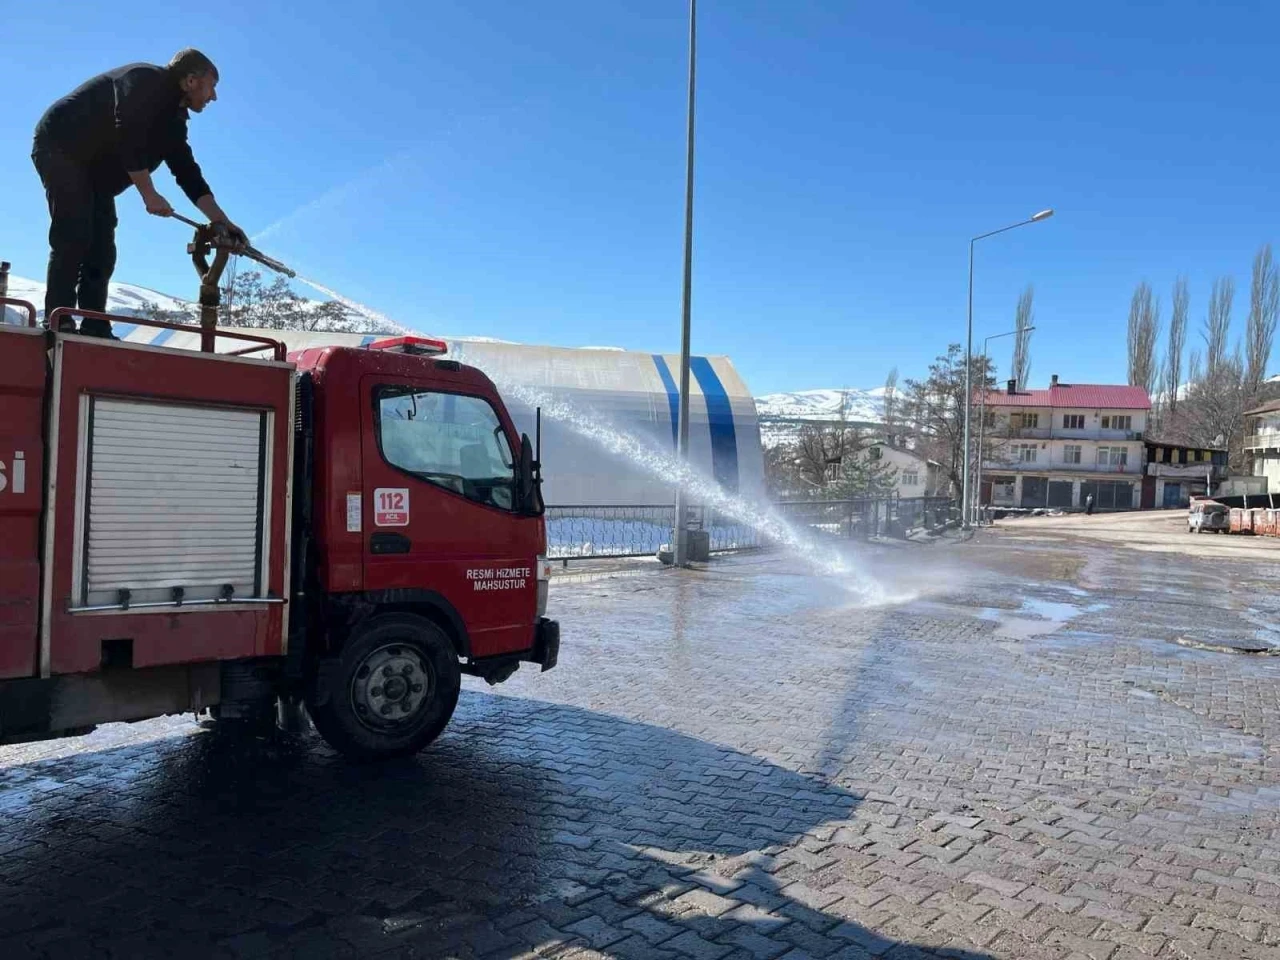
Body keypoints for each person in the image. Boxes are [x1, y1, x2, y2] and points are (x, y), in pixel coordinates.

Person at [31, 49, 245, 338]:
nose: (214, 97)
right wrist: (149, 194)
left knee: (103, 249)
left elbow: (188, 174)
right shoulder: (144, 80)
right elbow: (128, 132)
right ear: (191, 80)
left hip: (96, 173)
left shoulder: (173, 122)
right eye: (212, 86)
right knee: (74, 232)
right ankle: (60, 319)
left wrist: (223, 222)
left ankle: (94, 324)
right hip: (61, 147)